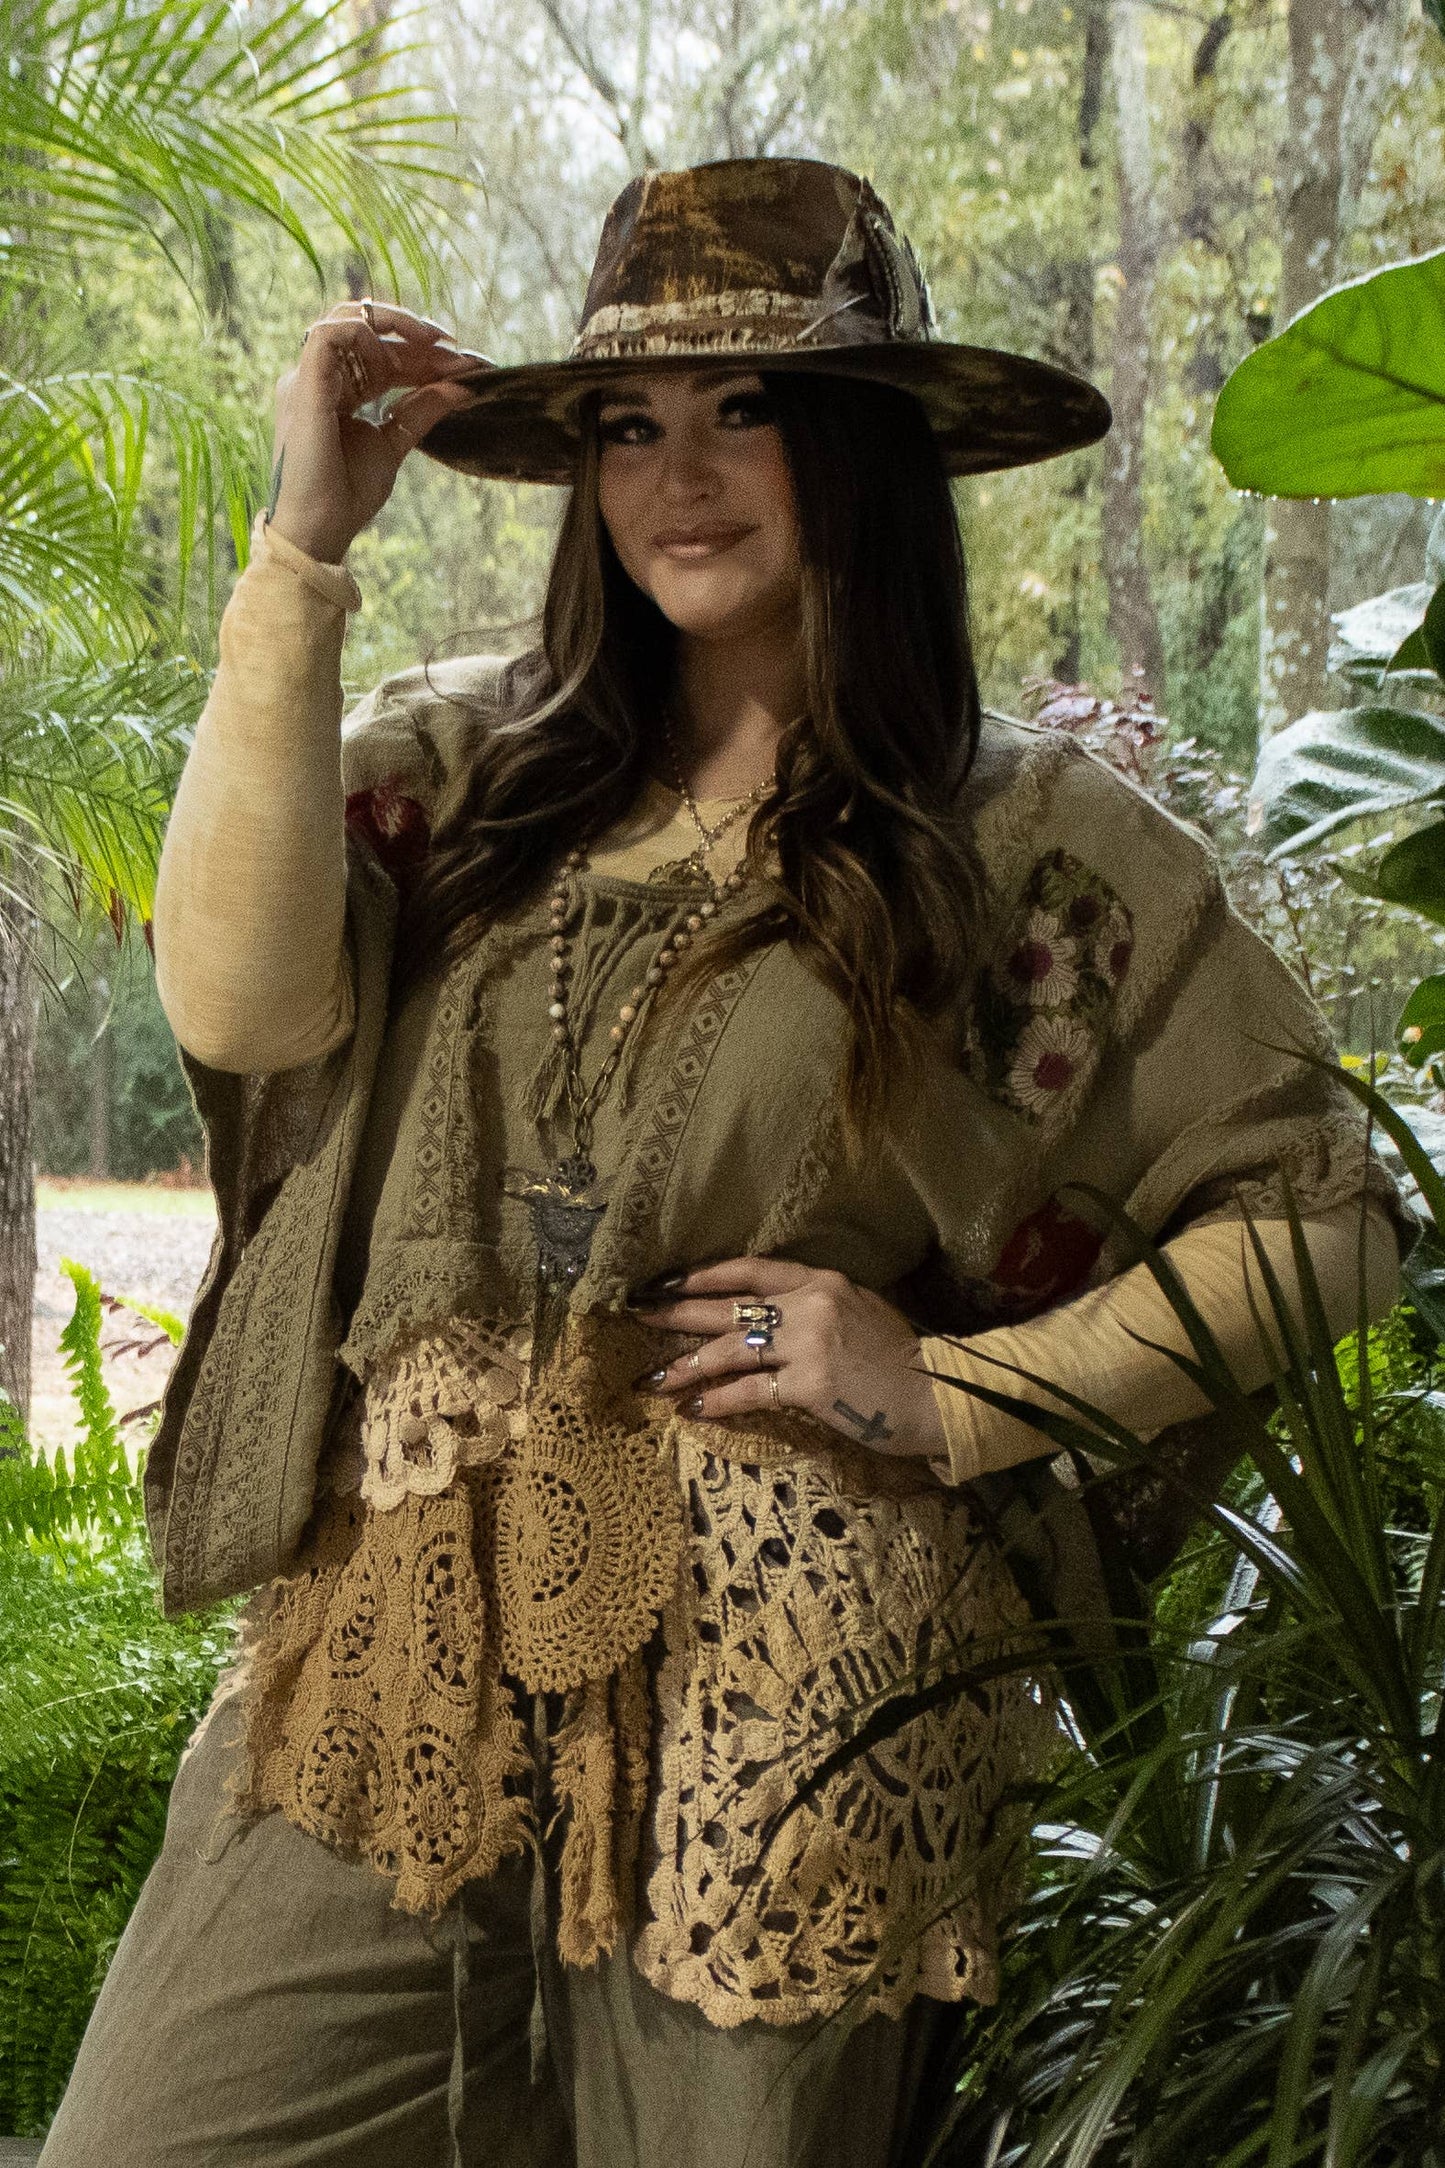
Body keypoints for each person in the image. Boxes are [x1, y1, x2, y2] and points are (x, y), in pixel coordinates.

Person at [40, 157, 1407, 2168]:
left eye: (745, 408)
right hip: (400, 1631)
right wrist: (301, 554)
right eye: (626, 424)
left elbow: (1326, 1223)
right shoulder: (460, 774)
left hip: (797, 1684)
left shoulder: (1034, 844)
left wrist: (952, 1390)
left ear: (857, 443)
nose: (677, 474)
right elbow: (239, 1009)